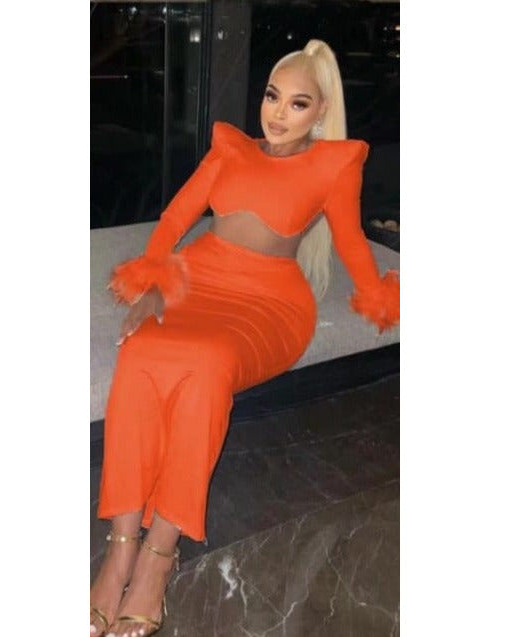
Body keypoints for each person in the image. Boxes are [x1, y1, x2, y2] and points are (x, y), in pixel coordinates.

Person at [90, 38, 399, 637]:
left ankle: (159, 551)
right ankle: (120, 547)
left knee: (207, 364)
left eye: (298, 103)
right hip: (198, 277)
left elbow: (352, 243)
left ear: (320, 111)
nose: (278, 113)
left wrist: (382, 293)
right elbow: (177, 218)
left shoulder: (335, 164)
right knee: (142, 350)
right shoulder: (231, 147)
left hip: (270, 303)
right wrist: (154, 282)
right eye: (272, 96)